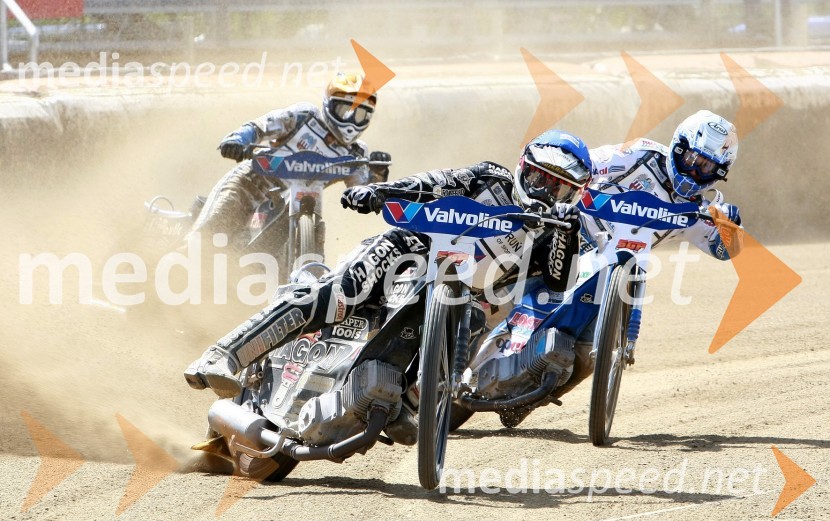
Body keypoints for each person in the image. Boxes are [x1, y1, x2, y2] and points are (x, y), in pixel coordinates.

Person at [184, 129, 594, 398]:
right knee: (337, 295)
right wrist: (380, 192)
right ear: (524, 169)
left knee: (445, 381)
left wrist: (567, 231)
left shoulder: (553, 231)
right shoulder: (490, 178)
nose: (548, 193)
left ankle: (400, 400)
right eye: (542, 179)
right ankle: (226, 355)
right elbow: (434, 182)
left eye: (562, 188)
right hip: (408, 251)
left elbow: (559, 283)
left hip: (462, 302)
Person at [552, 109, 744, 401]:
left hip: (615, 271)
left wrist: (731, 226)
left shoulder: (699, 211)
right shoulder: (637, 154)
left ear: (718, 173)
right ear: (678, 146)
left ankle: (535, 392)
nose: (694, 172)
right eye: (691, 159)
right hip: (571, 233)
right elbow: (581, 164)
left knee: (585, 354)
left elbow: (723, 250)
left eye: (706, 168)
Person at [187, 72, 391, 244]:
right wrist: (237, 140)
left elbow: (362, 196)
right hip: (250, 185)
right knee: (212, 230)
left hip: (295, 206)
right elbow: (262, 126)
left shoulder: (356, 154)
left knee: (317, 231)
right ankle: (182, 253)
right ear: (329, 105)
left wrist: (378, 173)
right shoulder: (304, 116)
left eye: (360, 115)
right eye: (345, 110)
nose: (351, 121)